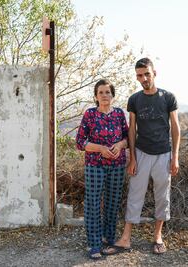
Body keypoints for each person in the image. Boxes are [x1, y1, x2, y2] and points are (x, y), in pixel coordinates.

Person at [103, 57, 180, 255]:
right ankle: (126, 238)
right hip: (141, 153)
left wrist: (175, 157)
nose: (144, 78)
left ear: (154, 73)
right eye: (139, 75)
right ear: (136, 77)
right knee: (135, 195)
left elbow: (176, 129)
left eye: (147, 73)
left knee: (162, 197)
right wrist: (133, 158)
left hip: (164, 153)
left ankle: (157, 237)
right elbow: (131, 130)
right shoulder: (135, 99)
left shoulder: (168, 97)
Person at [76, 79, 129, 260]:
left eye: (108, 92)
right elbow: (80, 142)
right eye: (101, 92)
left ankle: (108, 238)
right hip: (95, 165)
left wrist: (120, 145)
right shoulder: (90, 115)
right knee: (93, 203)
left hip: (117, 164)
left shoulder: (120, 114)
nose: (105, 95)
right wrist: (100, 149)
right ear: (96, 96)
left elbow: (127, 139)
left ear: (112, 95)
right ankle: (94, 243)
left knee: (113, 202)